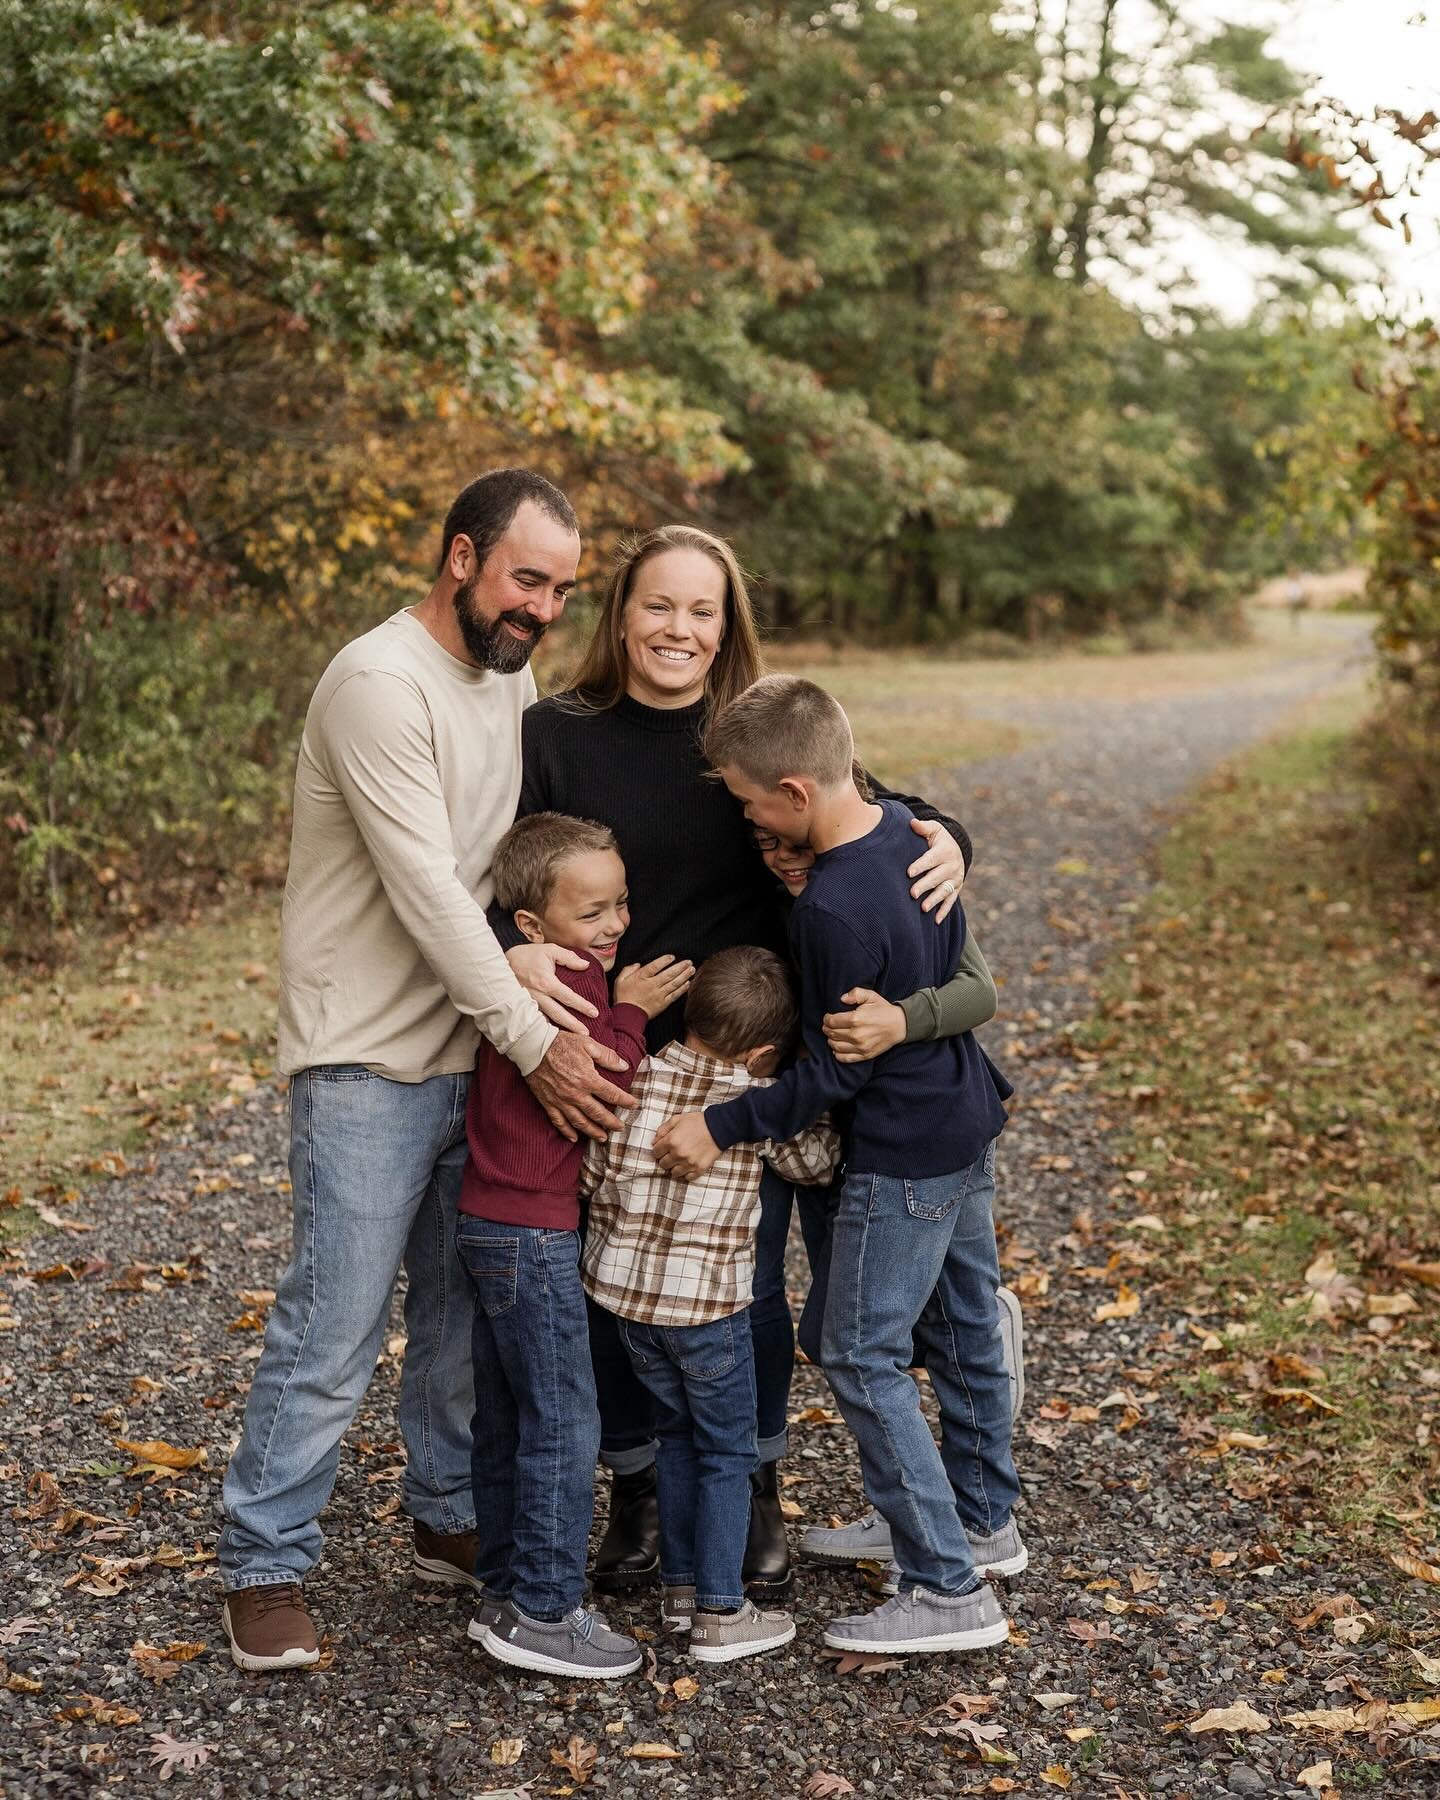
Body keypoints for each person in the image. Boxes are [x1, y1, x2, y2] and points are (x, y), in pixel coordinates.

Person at [497, 523, 977, 1601]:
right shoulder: (554, 734)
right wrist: (516, 960)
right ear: (621, 615)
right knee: (610, 1279)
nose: (680, 628)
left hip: (744, 1056)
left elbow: (877, 811)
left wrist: (952, 837)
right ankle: (638, 1489)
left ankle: (748, 1483)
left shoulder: (749, 730)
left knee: (741, 1284)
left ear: (728, 626)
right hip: (605, 1050)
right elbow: (499, 878)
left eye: (703, 610)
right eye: (659, 606)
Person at [218, 470, 635, 1673]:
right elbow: (431, 898)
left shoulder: (510, 682)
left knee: (460, 1318)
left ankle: (445, 1509)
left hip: (474, 1053)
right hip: (368, 1058)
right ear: (461, 557)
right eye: (525, 579)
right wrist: (540, 1042)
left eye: (561, 587)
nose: (544, 608)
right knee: (335, 1321)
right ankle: (265, 1560)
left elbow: (517, 870)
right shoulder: (377, 683)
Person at [655, 674, 1022, 1656]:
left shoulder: (830, 911)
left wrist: (722, 1124)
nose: (744, 817)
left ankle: (948, 1587)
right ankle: (946, 1525)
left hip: (904, 1150)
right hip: (961, 1123)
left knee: (859, 1349)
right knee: (944, 1321)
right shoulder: (910, 833)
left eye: (746, 800)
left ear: (795, 794)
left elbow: (832, 1076)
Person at [455, 811, 692, 1679]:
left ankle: (503, 1590)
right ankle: (547, 1611)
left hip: (488, 1220)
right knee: (564, 1414)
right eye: (593, 912)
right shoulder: (574, 985)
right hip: (532, 1231)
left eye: (621, 903)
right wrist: (631, 1009)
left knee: (511, 1410)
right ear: (530, 926)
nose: (616, 926)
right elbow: (608, 1079)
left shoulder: (514, 975)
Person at [580, 947, 839, 1662]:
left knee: (678, 1441)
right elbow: (815, 1166)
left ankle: (683, 1592)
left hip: (629, 1309)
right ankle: (722, 1615)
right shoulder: (753, 1109)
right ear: (763, 1053)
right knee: (726, 1451)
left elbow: (592, 1177)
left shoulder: (632, 1077)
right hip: (709, 1317)